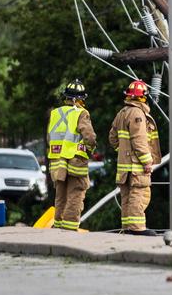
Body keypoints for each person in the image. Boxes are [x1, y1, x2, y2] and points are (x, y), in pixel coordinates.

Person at [108, 79, 161, 236]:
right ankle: (137, 228)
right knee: (139, 195)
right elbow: (139, 140)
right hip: (136, 166)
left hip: (124, 166)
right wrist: (146, 161)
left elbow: (112, 138)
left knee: (126, 196)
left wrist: (123, 151)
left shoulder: (122, 113)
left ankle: (127, 227)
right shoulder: (138, 113)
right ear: (143, 97)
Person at [47, 80, 96, 230]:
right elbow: (89, 136)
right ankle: (69, 228)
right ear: (78, 99)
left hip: (57, 161)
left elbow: (50, 136)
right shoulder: (81, 113)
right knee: (76, 193)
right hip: (75, 160)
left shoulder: (55, 113)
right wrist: (91, 149)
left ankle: (59, 225)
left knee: (60, 195)